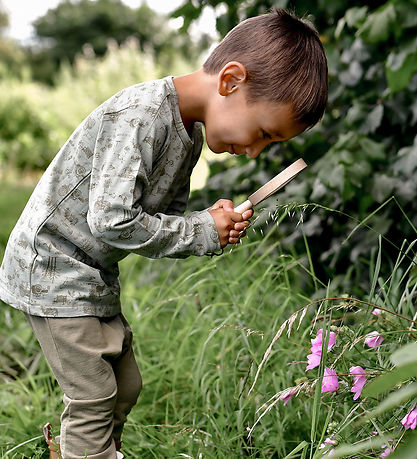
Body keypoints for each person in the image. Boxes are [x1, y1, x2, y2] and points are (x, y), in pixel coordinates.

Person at [0, 8, 327, 459]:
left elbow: (160, 222)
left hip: (90, 272)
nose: (253, 153)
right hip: (52, 265)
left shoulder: (188, 133)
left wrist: (208, 221)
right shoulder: (142, 115)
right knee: (94, 394)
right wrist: (199, 230)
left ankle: (80, 451)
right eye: (263, 133)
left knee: (125, 385)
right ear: (230, 81)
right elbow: (113, 221)